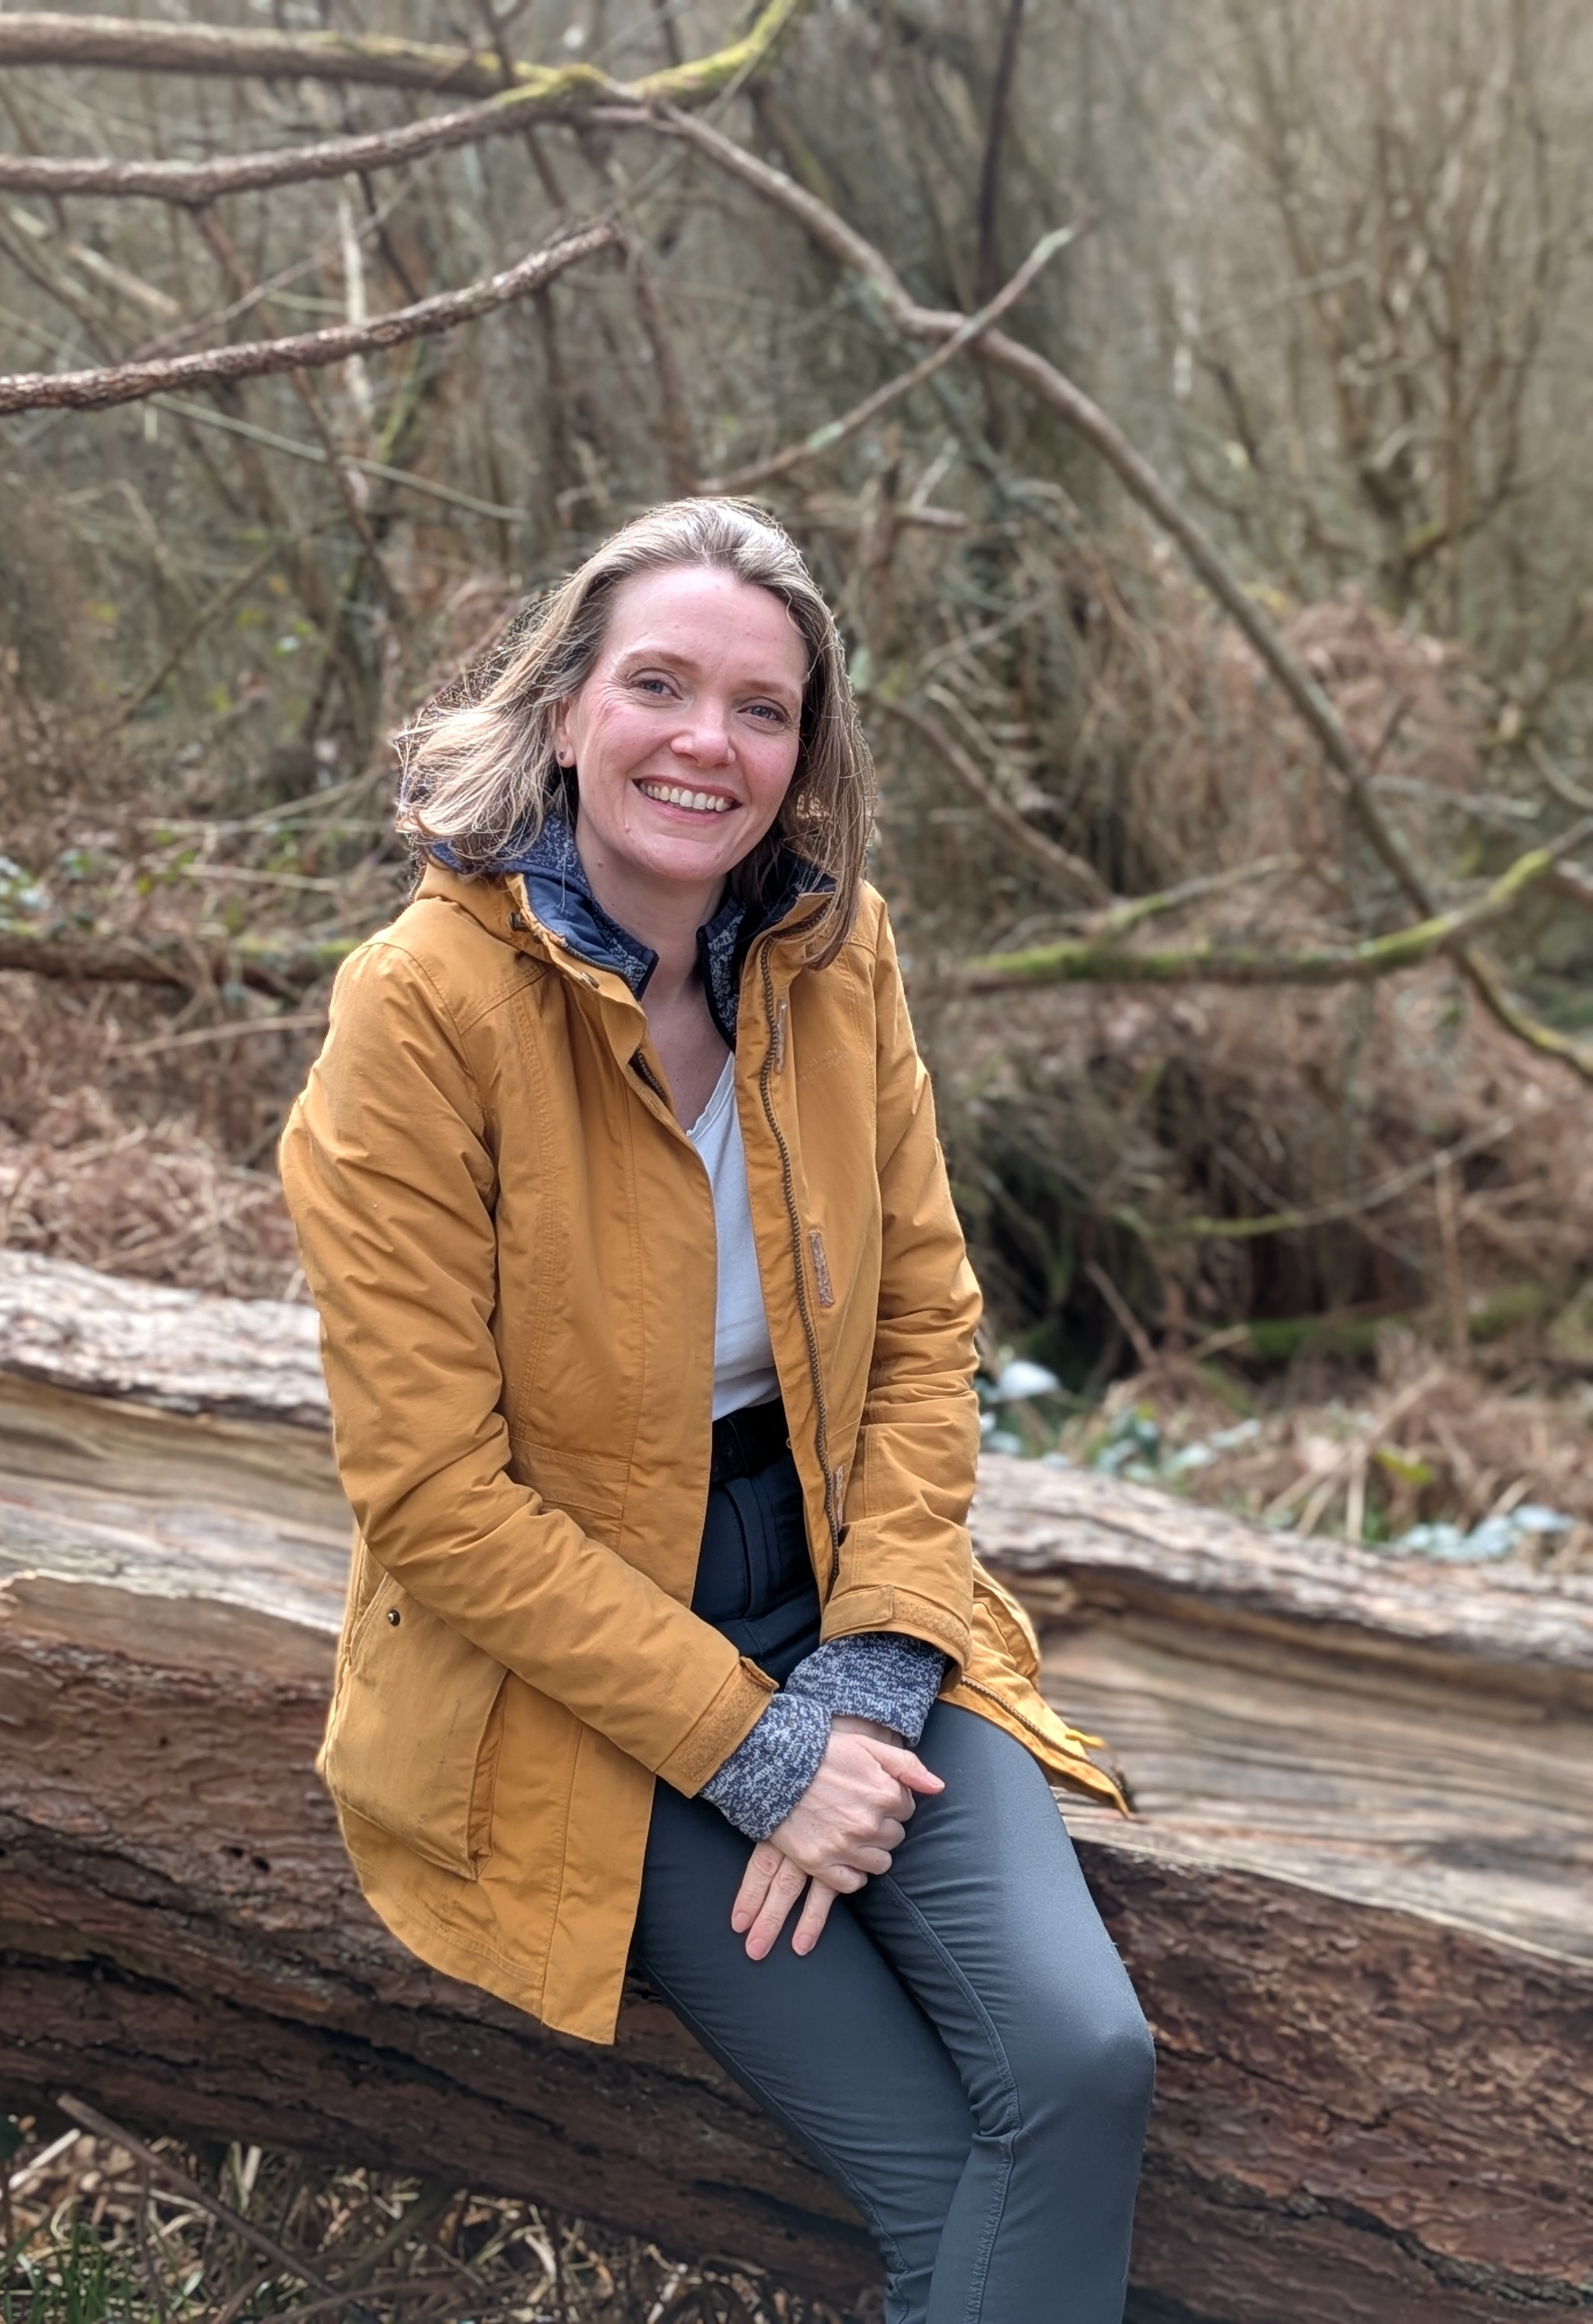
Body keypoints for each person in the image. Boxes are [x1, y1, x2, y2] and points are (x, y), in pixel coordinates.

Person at [279, 498, 1154, 2322]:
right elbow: (433, 1500)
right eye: (660, 685)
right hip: (577, 1656)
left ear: (806, 754)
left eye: (762, 709)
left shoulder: (841, 961)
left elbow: (927, 1321)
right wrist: (756, 1755)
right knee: (940, 2179)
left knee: (1080, 2066)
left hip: (842, 1591)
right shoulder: (419, 1010)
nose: (708, 741)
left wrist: (872, 1658)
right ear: (566, 708)